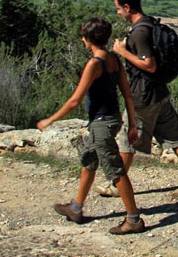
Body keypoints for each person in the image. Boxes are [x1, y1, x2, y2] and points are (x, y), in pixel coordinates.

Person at [37, 17, 146, 234]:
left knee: (116, 172)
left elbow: (74, 100)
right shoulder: (114, 60)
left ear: (88, 40)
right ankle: (76, 208)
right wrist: (131, 123)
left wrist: (49, 120)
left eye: (83, 37)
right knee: (89, 160)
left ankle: (134, 219)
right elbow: (127, 94)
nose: (82, 40)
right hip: (113, 119)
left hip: (101, 124)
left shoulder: (94, 64)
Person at [95, 0, 178, 197]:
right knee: (174, 137)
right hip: (159, 93)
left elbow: (150, 65)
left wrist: (122, 52)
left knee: (127, 140)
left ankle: (118, 184)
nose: (118, 13)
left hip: (143, 96)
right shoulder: (150, 23)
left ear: (127, 7)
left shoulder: (139, 32)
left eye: (118, 9)